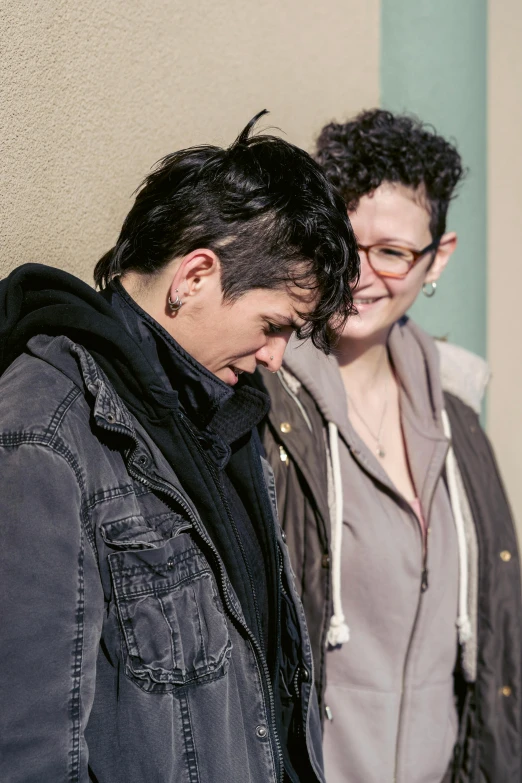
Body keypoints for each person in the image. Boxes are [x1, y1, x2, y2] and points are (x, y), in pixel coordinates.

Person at [0, 111, 359, 783]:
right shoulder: (45, 435)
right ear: (194, 276)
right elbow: (26, 752)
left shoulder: (231, 419)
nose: (278, 358)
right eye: (275, 324)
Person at [260, 109, 522, 783]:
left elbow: (493, 647)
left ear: (439, 255)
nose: (360, 273)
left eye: (394, 251)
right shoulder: (268, 405)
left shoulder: (459, 419)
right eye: (345, 243)